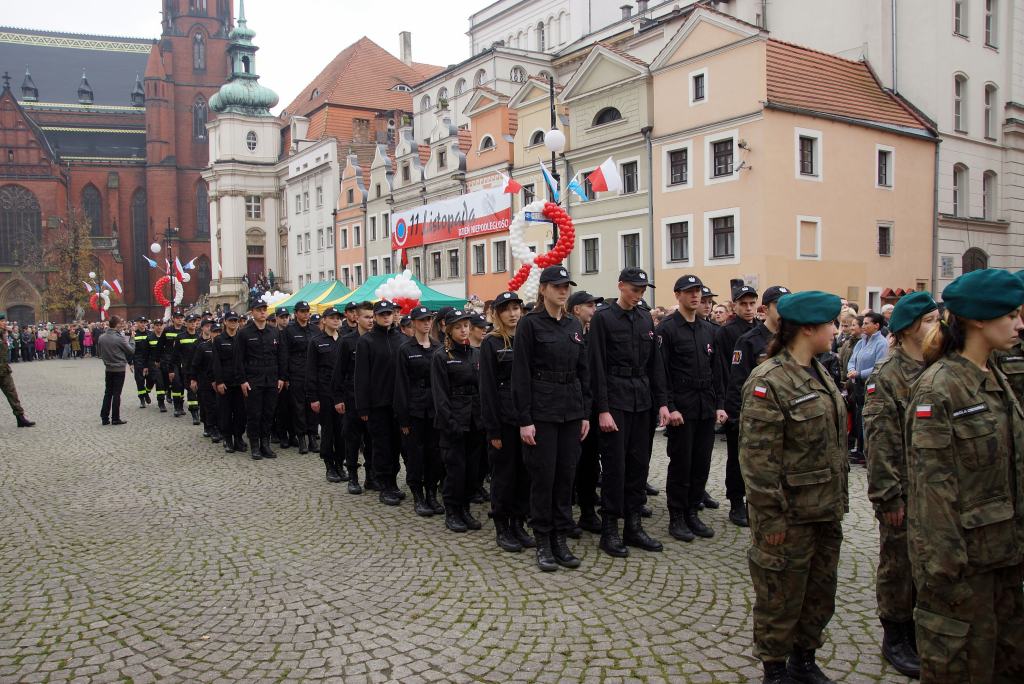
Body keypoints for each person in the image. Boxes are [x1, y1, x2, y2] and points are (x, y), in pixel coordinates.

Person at [906, 269, 1024, 682]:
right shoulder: (940, 388)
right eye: (1010, 315)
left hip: (1003, 555)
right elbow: (931, 489)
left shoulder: (995, 375)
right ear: (977, 319)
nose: (1019, 324)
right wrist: (945, 571)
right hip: (962, 566)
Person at [739, 290, 848, 684]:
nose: (835, 330)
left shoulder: (819, 371)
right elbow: (757, 460)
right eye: (831, 324)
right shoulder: (769, 380)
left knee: (819, 592)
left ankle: (804, 661)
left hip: (825, 509)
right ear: (807, 329)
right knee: (779, 596)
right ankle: (774, 669)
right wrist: (770, 517)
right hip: (789, 516)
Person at [862, 291, 939, 678]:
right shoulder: (888, 375)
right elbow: (879, 443)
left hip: (934, 489)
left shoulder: (936, 365)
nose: (937, 327)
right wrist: (888, 496)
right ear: (908, 329)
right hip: (903, 489)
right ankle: (895, 634)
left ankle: (921, 628)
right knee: (898, 564)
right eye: (929, 322)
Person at [511, 266, 591, 572]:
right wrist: (524, 419)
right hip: (542, 411)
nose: (563, 291)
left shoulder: (573, 324)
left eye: (566, 286)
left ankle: (560, 536)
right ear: (543, 289)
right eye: (557, 286)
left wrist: (585, 412)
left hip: (571, 409)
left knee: (566, 476)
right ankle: (543, 539)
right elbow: (520, 373)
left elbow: (583, 370)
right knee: (544, 477)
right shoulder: (530, 324)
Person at [588, 268, 669, 558]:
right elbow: (596, 366)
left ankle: (633, 526)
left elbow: (655, 364)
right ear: (621, 286)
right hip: (615, 400)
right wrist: (602, 409)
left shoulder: (645, 318)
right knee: (615, 468)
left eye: (643, 290)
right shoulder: (603, 318)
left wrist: (662, 402)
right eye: (635, 289)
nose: (639, 295)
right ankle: (610, 528)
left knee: (639, 466)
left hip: (642, 401)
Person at [657, 275, 723, 542]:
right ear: (677, 295)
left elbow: (716, 371)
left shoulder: (708, 329)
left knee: (701, 463)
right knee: (681, 463)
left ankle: (693, 511)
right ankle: (677, 516)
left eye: (698, 292)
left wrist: (719, 405)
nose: (696, 296)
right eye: (690, 292)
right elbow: (661, 371)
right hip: (682, 406)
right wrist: (669, 406)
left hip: (705, 404)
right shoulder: (667, 329)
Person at [722, 286, 790, 527]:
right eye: (779, 305)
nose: (784, 310)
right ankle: (736, 502)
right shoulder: (749, 340)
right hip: (752, 413)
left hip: (780, 413)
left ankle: (766, 502)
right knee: (740, 461)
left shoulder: (790, 339)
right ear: (766, 309)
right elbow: (737, 381)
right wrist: (735, 417)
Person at [480, 292, 534, 551]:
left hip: (525, 418)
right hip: (503, 419)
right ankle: (502, 526)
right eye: (507, 309)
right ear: (498, 313)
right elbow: (487, 389)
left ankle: (518, 523)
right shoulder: (491, 343)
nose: (513, 314)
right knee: (504, 476)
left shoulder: (527, 338)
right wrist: (493, 430)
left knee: (525, 474)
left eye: (516, 308)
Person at [431, 308, 485, 533]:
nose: (463, 330)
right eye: (458, 327)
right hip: (453, 422)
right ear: (449, 330)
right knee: (455, 470)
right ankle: (452, 511)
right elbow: (440, 395)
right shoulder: (442, 356)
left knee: (473, 471)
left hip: (475, 421)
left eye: (466, 326)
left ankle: (465, 509)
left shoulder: (476, 354)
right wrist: (450, 422)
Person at [394, 306, 443, 516]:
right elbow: (400, 385)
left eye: (429, 319)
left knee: (435, 454)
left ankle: (431, 492)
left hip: (434, 409)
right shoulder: (405, 349)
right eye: (422, 320)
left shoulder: (438, 347)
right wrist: (403, 419)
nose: (426, 323)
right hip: (414, 410)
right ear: (413, 323)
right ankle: (418, 495)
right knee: (415, 455)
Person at [713, 284, 759, 510]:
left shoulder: (761, 329)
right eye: (743, 304)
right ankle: (736, 501)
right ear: (735, 306)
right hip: (736, 399)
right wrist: (723, 403)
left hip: (760, 401)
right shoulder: (726, 332)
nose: (748, 308)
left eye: (752, 304)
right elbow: (722, 370)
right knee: (737, 457)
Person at [355, 300, 404, 505]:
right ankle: (385, 485)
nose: (386, 317)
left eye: (389, 313)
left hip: (398, 403)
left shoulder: (401, 339)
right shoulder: (366, 341)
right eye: (382, 314)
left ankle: (393, 482)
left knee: (396, 446)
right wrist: (363, 406)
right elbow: (361, 377)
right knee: (381, 446)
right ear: (375, 316)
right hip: (377, 405)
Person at [567, 290, 603, 535]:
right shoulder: (567, 334)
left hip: (592, 407)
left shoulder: (592, 336)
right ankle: (565, 514)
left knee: (590, 463)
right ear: (576, 309)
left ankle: (588, 511)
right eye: (589, 305)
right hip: (571, 407)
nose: (594, 309)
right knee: (570, 464)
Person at [331, 301, 375, 494]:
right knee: (353, 440)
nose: (371, 320)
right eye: (366, 317)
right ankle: (353, 478)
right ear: (356, 317)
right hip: (352, 398)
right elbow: (338, 372)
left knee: (372, 440)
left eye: (372, 317)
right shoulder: (347, 341)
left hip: (373, 399)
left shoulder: (376, 339)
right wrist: (338, 398)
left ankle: (371, 477)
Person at [235, 301, 284, 460]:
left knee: (269, 413)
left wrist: (281, 377)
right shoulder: (244, 333)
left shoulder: (274, 332)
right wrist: (242, 380)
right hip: (253, 379)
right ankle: (255, 445)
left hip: (271, 379)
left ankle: (265, 444)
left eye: (264, 309)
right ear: (252, 312)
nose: (263, 312)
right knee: (254, 414)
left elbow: (280, 356)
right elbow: (239, 359)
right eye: (259, 310)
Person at [307, 307, 348, 483]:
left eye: (338, 318)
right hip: (324, 392)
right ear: (324, 320)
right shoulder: (316, 342)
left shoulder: (344, 340)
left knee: (342, 431)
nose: (336, 320)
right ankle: (329, 465)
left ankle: (340, 463)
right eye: (332, 317)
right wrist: (313, 397)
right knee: (328, 431)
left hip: (342, 393)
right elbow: (311, 371)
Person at [847, 311, 887, 464]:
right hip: (857, 384)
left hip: (870, 385)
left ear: (876, 325)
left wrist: (859, 373)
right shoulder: (861, 342)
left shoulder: (881, 343)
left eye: (866, 323)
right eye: (862, 323)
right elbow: (852, 359)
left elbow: (879, 366)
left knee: (867, 419)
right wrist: (851, 370)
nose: (863, 326)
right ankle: (860, 449)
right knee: (858, 417)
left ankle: (867, 452)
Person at [281, 301, 318, 454]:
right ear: (296, 313)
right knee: (299, 408)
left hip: (313, 374)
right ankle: (301, 438)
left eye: (307, 311)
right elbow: (284, 355)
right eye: (302, 311)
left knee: (313, 406)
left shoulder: (315, 329)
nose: (305, 314)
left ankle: (312, 438)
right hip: (296, 373)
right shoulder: (289, 331)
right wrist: (285, 377)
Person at [95, 315, 134, 426]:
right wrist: (132, 339)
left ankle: (104, 417)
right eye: (120, 323)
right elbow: (131, 351)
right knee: (117, 394)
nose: (122, 325)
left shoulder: (102, 337)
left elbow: (99, 353)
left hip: (108, 368)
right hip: (119, 369)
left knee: (108, 393)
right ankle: (115, 418)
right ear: (116, 325)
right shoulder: (119, 338)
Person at [0, 312, 34, 427]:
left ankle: (20, 418)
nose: (4, 323)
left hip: (4, 370)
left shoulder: (3, 334)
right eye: (2, 321)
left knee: (12, 394)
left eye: (4, 321)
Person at [191, 319, 221, 442]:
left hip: (220, 380)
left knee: (219, 406)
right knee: (208, 406)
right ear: (211, 333)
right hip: (205, 381)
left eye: (220, 332)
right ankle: (210, 428)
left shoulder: (225, 346)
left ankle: (218, 427)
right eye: (215, 332)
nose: (217, 334)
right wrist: (193, 380)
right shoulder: (203, 347)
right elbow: (195, 365)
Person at [171, 314, 202, 425]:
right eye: (191, 322)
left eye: (195, 321)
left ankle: (202, 411)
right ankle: (194, 414)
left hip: (200, 369)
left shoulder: (200, 336)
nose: (193, 323)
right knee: (191, 390)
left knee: (201, 392)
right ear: (186, 323)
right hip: (187, 369)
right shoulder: (180, 337)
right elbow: (175, 355)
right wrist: (171, 369)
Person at [272, 307, 295, 449]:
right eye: (282, 317)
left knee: (292, 408)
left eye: (286, 317)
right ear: (277, 318)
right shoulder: (273, 333)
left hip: (292, 374)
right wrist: (282, 376)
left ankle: (292, 434)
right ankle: (281, 435)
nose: (285, 319)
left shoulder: (292, 332)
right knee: (280, 408)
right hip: (278, 375)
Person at [161, 310, 186, 416]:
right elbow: (160, 345)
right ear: (173, 319)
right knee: (176, 383)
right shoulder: (167, 330)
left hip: (183, 361)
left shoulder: (186, 330)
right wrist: (158, 359)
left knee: (182, 384)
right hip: (171, 361)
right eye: (177, 318)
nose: (180, 320)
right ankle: (177, 407)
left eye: (181, 318)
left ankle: (181, 404)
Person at [131, 318, 152, 408]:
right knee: (140, 381)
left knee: (151, 379)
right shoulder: (134, 334)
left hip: (149, 360)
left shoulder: (150, 334)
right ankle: (142, 399)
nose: (143, 324)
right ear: (137, 323)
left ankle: (146, 392)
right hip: (138, 360)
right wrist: (130, 363)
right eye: (141, 322)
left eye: (144, 322)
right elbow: (130, 349)